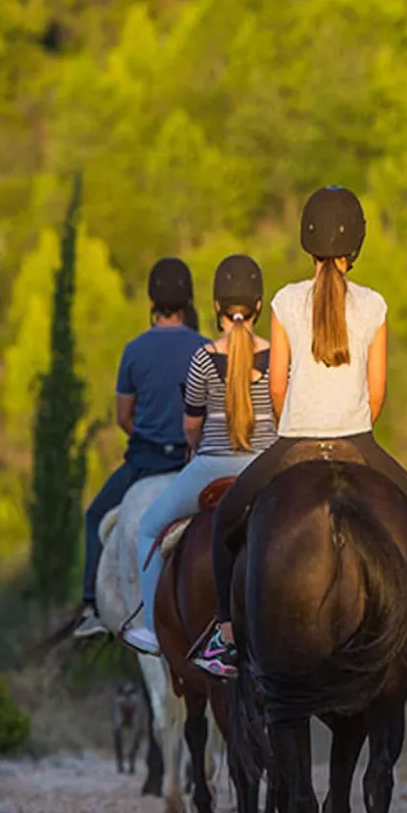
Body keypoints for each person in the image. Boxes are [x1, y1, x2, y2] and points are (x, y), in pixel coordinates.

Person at [191, 185, 407, 680]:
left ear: (306, 240)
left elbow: (277, 388)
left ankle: (226, 637)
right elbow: (376, 392)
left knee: (228, 518)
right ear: (356, 245)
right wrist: (351, 423)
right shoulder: (375, 305)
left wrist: (297, 426)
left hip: (293, 443)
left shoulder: (284, 301)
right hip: (358, 441)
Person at [119, 254, 279, 656]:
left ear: (216, 308)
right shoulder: (279, 357)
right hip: (265, 469)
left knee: (150, 529)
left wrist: (194, 448)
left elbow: (192, 426)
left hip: (210, 469)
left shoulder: (203, 359)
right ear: (259, 306)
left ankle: (155, 632)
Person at [72, 257, 210, 639]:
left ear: (152, 301)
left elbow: (123, 417)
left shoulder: (134, 351)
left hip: (146, 462)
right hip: (192, 463)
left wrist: (147, 431)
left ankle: (92, 608)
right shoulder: (207, 348)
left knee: (94, 516)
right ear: (188, 301)